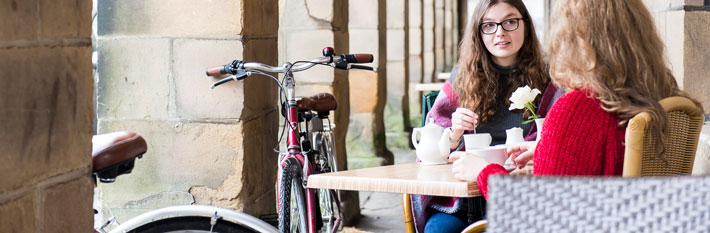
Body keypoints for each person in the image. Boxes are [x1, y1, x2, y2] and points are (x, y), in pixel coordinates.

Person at [450, 0, 703, 203]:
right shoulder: (664, 100)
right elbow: (612, 161)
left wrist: (482, 172)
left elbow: (542, 211)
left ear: (572, 38)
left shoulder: (578, 107)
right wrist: (550, 151)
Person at [412, 0, 562, 232]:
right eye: (489, 25)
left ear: (526, 26)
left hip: (519, 194)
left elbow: (559, 142)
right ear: (478, 33)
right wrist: (454, 133)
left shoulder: (551, 79)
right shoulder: (462, 77)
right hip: (461, 200)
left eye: (510, 22)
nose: (500, 33)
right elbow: (431, 150)